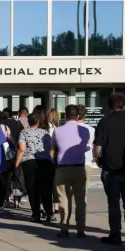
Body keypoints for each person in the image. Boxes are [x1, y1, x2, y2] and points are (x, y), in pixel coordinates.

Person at [52, 105, 89, 238]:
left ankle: (64, 227)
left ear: (65, 115)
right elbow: (85, 146)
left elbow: (53, 148)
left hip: (63, 168)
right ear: (78, 116)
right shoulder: (85, 131)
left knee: (63, 198)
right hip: (79, 167)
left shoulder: (58, 130)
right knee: (80, 199)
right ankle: (80, 229)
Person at [94, 93, 125, 245]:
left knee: (113, 203)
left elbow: (98, 145)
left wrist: (97, 160)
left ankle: (115, 234)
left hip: (111, 167)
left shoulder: (104, 122)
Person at [15, 113, 56, 222]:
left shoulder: (23, 132)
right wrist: (50, 159)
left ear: (28, 122)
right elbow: (51, 148)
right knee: (46, 188)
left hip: (29, 161)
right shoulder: (45, 133)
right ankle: (50, 214)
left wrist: (17, 163)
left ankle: (36, 214)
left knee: (32, 188)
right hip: (45, 162)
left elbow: (22, 148)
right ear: (38, 122)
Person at [76, 105, 94, 199]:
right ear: (85, 115)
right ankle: (81, 213)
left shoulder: (66, 129)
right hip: (86, 162)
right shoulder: (91, 130)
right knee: (83, 193)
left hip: (71, 163)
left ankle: (67, 213)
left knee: (68, 194)